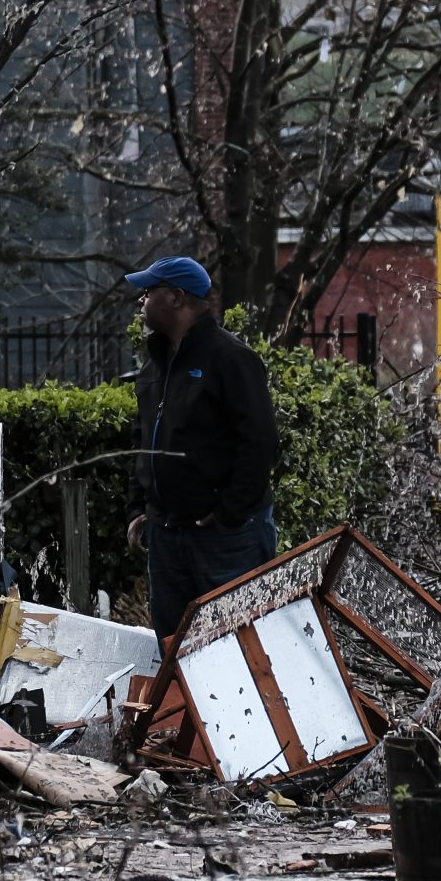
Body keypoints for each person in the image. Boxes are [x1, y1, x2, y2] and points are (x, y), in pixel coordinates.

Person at [123, 255, 281, 641]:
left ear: (177, 298)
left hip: (227, 541)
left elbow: (260, 444)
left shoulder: (232, 359)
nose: (141, 300)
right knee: (175, 651)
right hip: (167, 535)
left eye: (149, 291)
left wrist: (228, 514)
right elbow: (143, 441)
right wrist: (140, 506)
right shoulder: (154, 367)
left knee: (239, 650)